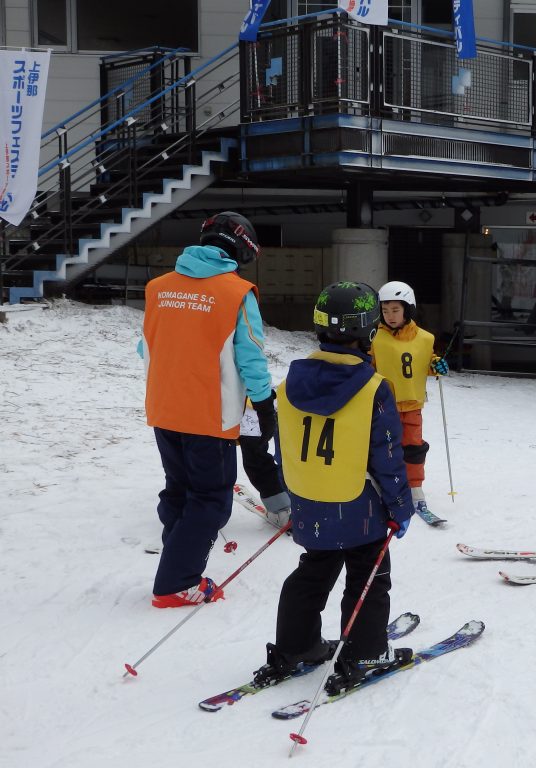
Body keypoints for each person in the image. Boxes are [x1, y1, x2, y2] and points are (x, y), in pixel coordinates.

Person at [254, 281, 415, 693]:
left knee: (315, 568)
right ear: (368, 330)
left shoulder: (289, 386)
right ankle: (364, 653)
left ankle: (296, 646)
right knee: (368, 575)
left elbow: (282, 445)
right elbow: (388, 454)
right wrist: (400, 506)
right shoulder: (373, 388)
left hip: (309, 496)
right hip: (358, 501)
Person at [141, 211, 276, 608]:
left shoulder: (158, 288)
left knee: (178, 490)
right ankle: (176, 582)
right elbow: (251, 357)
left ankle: (178, 559)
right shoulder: (236, 292)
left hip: (164, 407)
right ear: (241, 250)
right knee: (211, 499)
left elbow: (145, 346)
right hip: (210, 415)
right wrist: (264, 404)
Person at [370, 281, 449, 522]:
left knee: (414, 448)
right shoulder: (375, 339)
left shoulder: (425, 339)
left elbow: (422, 362)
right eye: (385, 310)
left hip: (413, 404)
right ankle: (381, 485)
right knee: (384, 447)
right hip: (385, 406)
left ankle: (415, 489)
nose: (390, 316)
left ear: (408, 309)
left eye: (395, 310)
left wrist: (435, 365)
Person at [238, 399, 290, 528]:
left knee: (256, 458)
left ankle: (280, 510)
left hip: (252, 404)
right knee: (256, 457)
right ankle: (281, 509)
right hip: (254, 403)